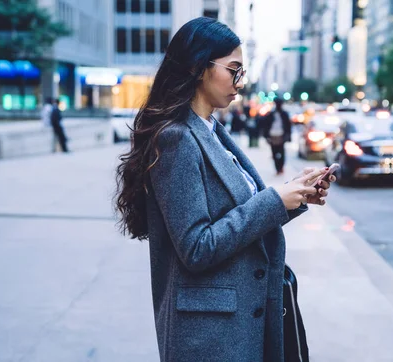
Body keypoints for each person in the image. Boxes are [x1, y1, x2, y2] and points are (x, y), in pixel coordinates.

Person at [114, 17, 335, 362]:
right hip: (210, 336)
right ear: (199, 67)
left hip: (239, 322)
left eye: (241, 72)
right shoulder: (177, 138)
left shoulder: (211, 130)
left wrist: (295, 195)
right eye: (234, 70)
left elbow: (238, 214)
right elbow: (197, 247)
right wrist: (274, 201)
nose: (239, 82)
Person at [263, 98, 292, 175]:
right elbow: (265, 126)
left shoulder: (284, 114)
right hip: (272, 136)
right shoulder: (271, 114)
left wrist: (288, 137)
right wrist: (266, 137)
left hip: (281, 136)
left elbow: (288, 126)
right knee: (274, 153)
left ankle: (281, 167)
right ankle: (277, 168)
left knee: (281, 153)